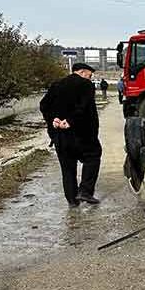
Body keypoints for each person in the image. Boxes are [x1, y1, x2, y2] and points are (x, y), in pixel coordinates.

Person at [40, 62, 102, 207]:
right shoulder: (85, 85)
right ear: (81, 72)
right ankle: (85, 191)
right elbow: (84, 107)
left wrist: (53, 119)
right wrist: (70, 121)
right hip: (82, 134)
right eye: (89, 75)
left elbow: (44, 105)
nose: (90, 78)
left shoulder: (56, 85)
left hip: (60, 136)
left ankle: (72, 201)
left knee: (67, 168)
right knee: (93, 157)